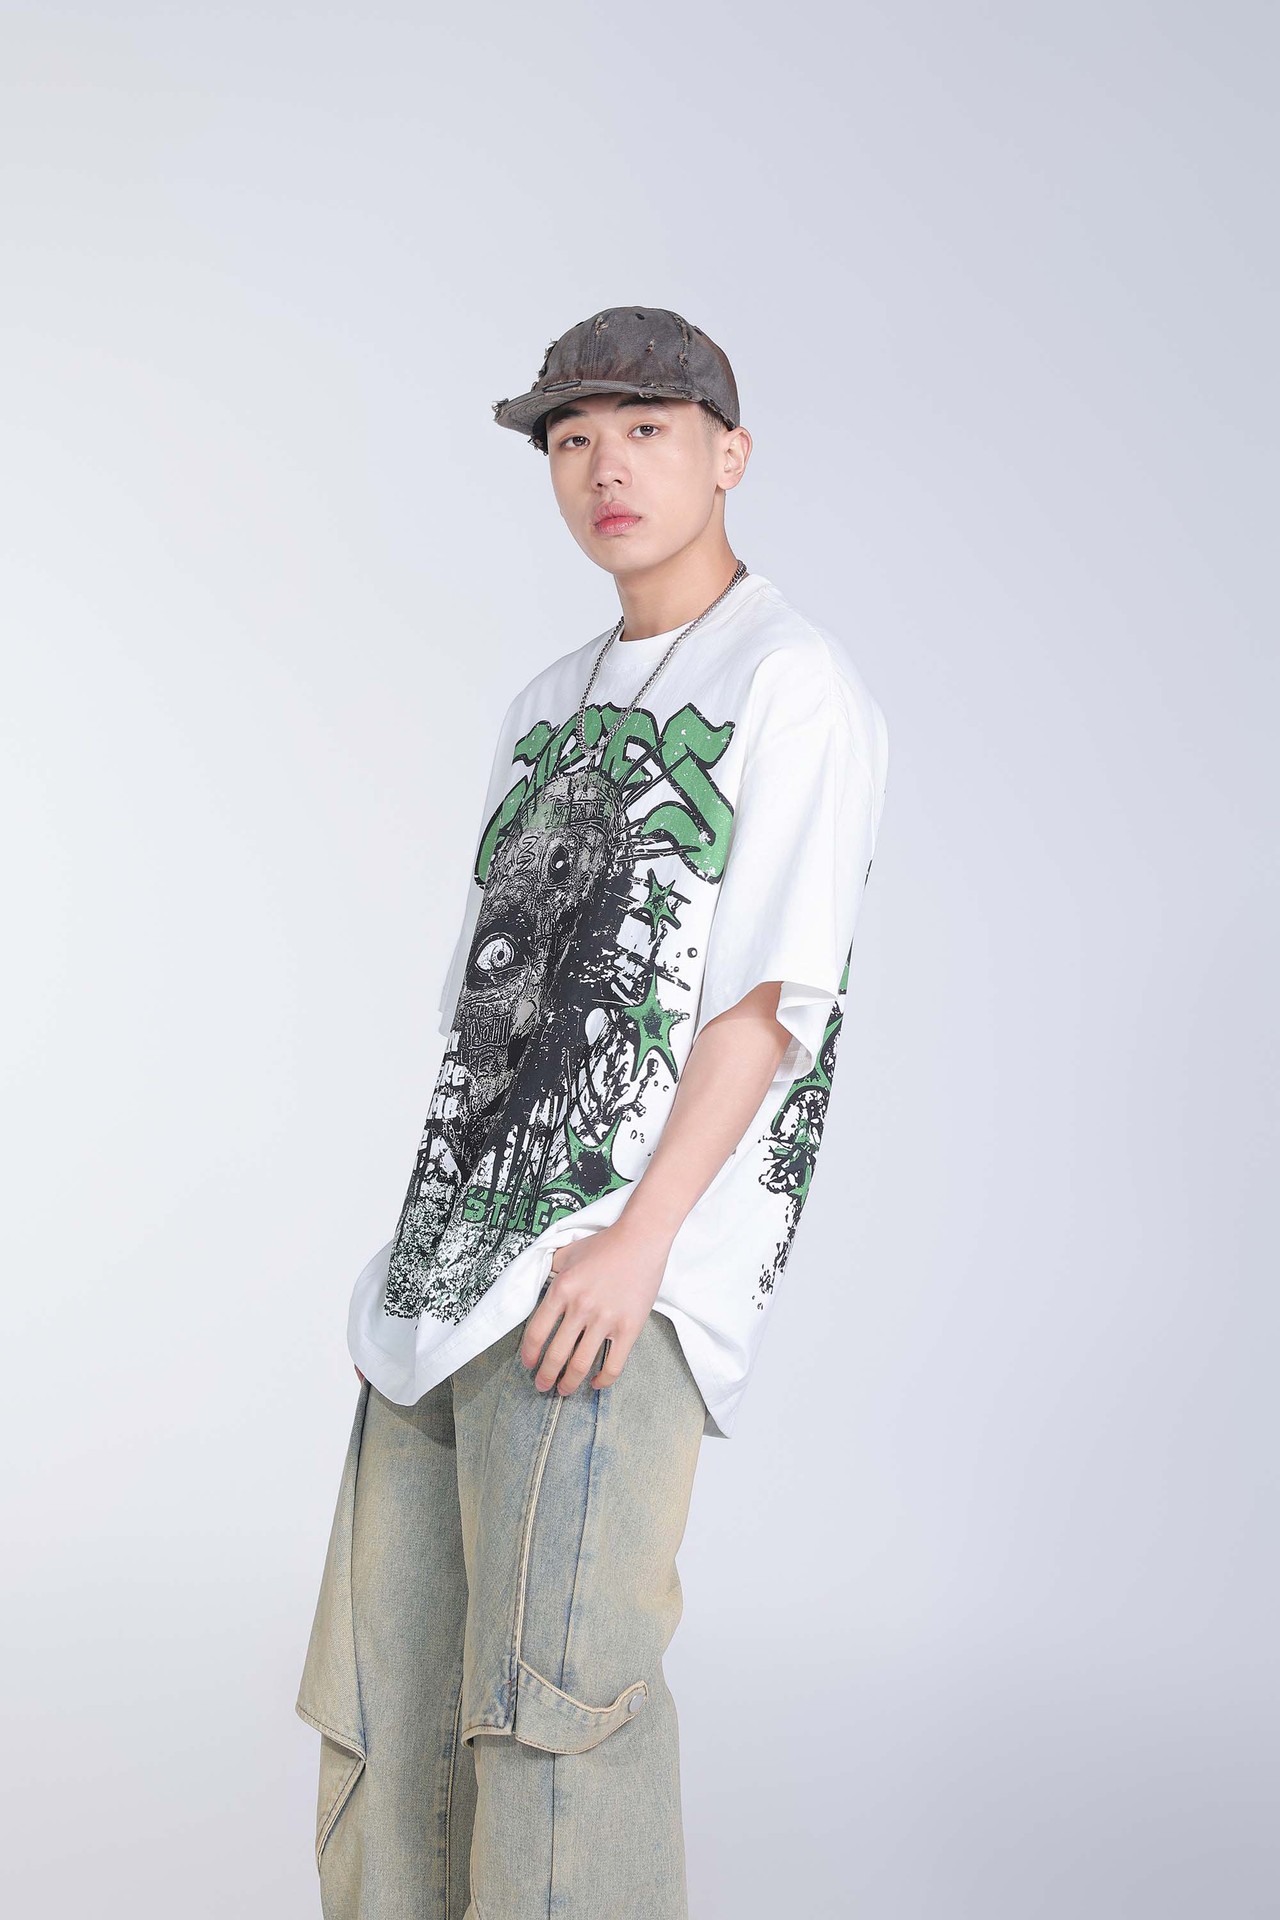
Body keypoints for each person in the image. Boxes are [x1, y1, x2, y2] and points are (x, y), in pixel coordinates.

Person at [294, 305, 890, 1918]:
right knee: (387, 1725)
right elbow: (485, 1017)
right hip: (441, 1290)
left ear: (729, 453)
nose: (603, 465)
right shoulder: (547, 702)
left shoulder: (791, 683)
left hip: (608, 1289)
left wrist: (641, 1245)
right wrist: (412, 1258)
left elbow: (769, 1006)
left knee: (558, 1730)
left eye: (643, 429)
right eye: (570, 439)